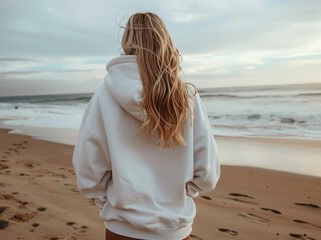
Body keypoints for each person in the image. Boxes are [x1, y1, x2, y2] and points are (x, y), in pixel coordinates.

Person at [72, 12, 220, 240]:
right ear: (164, 40)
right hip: (174, 228)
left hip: (121, 227)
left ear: (127, 41)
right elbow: (207, 171)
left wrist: (106, 203)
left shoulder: (104, 95)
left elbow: (89, 165)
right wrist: (180, 198)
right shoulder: (185, 96)